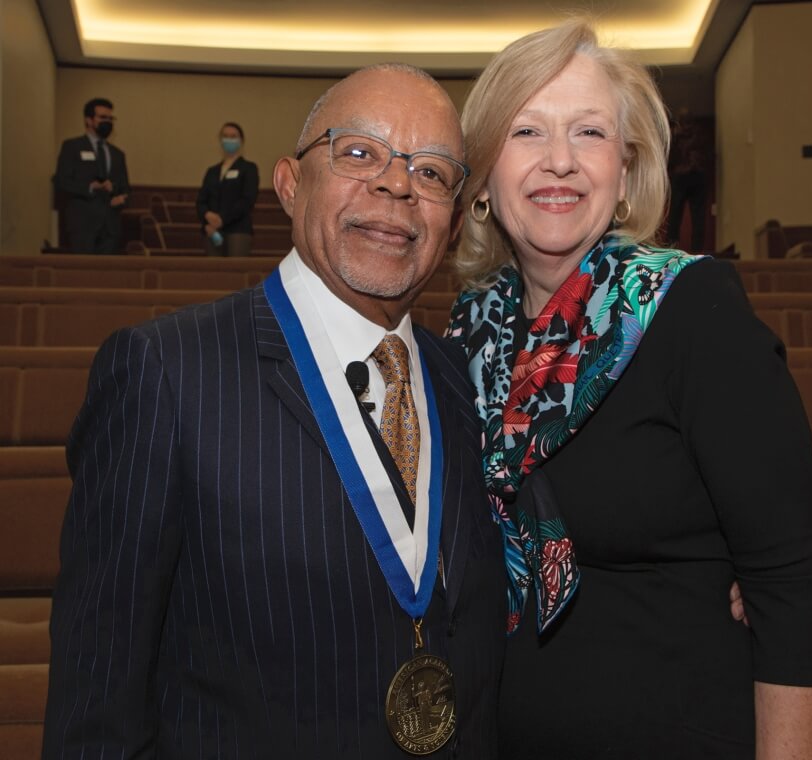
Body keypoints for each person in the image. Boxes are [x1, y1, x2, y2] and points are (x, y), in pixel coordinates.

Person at [42, 64, 506, 759]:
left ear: (453, 218)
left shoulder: (458, 382)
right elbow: (98, 702)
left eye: (434, 172)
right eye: (358, 152)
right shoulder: (165, 373)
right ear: (289, 183)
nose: (398, 183)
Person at [447, 21, 812, 759]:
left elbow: (787, 583)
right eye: (527, 131)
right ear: (487, 174)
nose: (559, 161)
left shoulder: (695, 311)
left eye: (589, 132)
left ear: (625, 174)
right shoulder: (466, 335)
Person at [54, 97, 131, 253]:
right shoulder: (72, 146)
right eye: (103, 117)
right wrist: (90, 187)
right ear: (88, 120)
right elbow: (61, 181)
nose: (108, 122)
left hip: (110, 227)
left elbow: (126, 189)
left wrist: (120, 197)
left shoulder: (118, 154)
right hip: (83, 225)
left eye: (111, 118)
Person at [196, 122, 260, 256]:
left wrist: (222, 219)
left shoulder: (249, 168)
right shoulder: (212, 171)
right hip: (211, 231)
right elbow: (201, 201)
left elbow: (247, 200)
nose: (228, 140)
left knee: (235, 272)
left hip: (238, 230)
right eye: (225, 136)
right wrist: (207, 216)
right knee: (212, 274)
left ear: (241, 140)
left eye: (233, 136)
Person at [666, 109, 708, 251]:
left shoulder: (675, 137)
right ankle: (697, 251)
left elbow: (670, 158)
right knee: (698, 218)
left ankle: (672, 249)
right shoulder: (700, 135)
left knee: (675, 216)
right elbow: (707, 155)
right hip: (697, 175)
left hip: (681, 176)